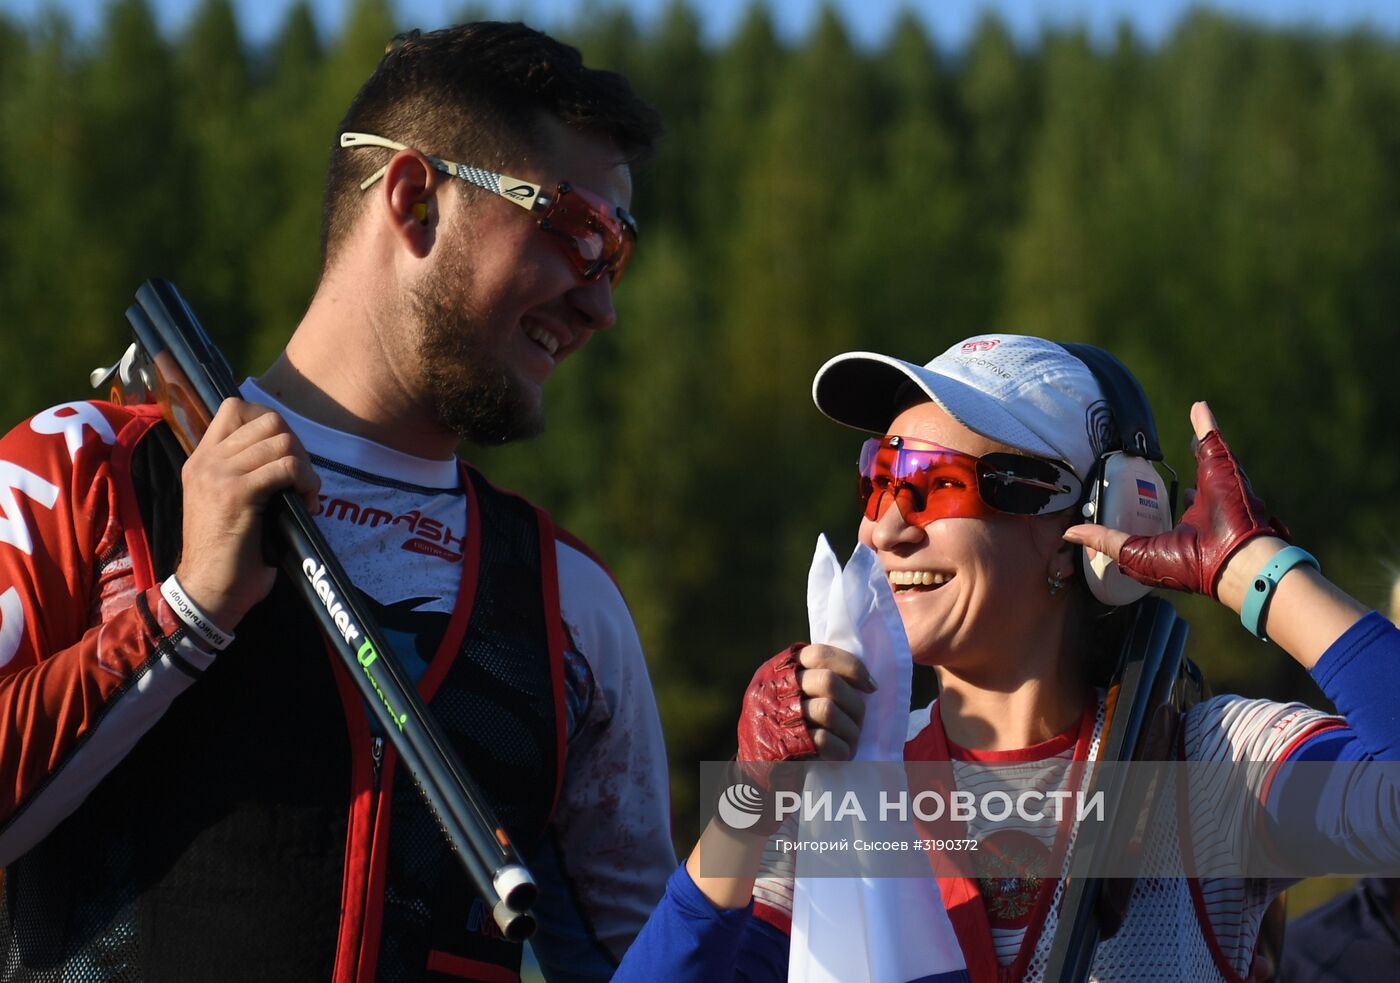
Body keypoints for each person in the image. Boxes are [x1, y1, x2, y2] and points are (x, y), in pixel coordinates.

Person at [0, 22, 673, 983]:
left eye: (620, 255)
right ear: (413, 199)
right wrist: (185, 611)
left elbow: (656, 962)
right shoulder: (83, 465)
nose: (601, 304)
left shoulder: (574, 603)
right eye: (579, 234)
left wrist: (764, 806)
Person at [613, 334, 1400, 981]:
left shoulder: (1216, 770)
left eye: (933, 484)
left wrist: (1254, 569)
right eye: (878, 480)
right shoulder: (846, 787)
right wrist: (748, 803)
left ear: (1084, 526)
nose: (885, 529)